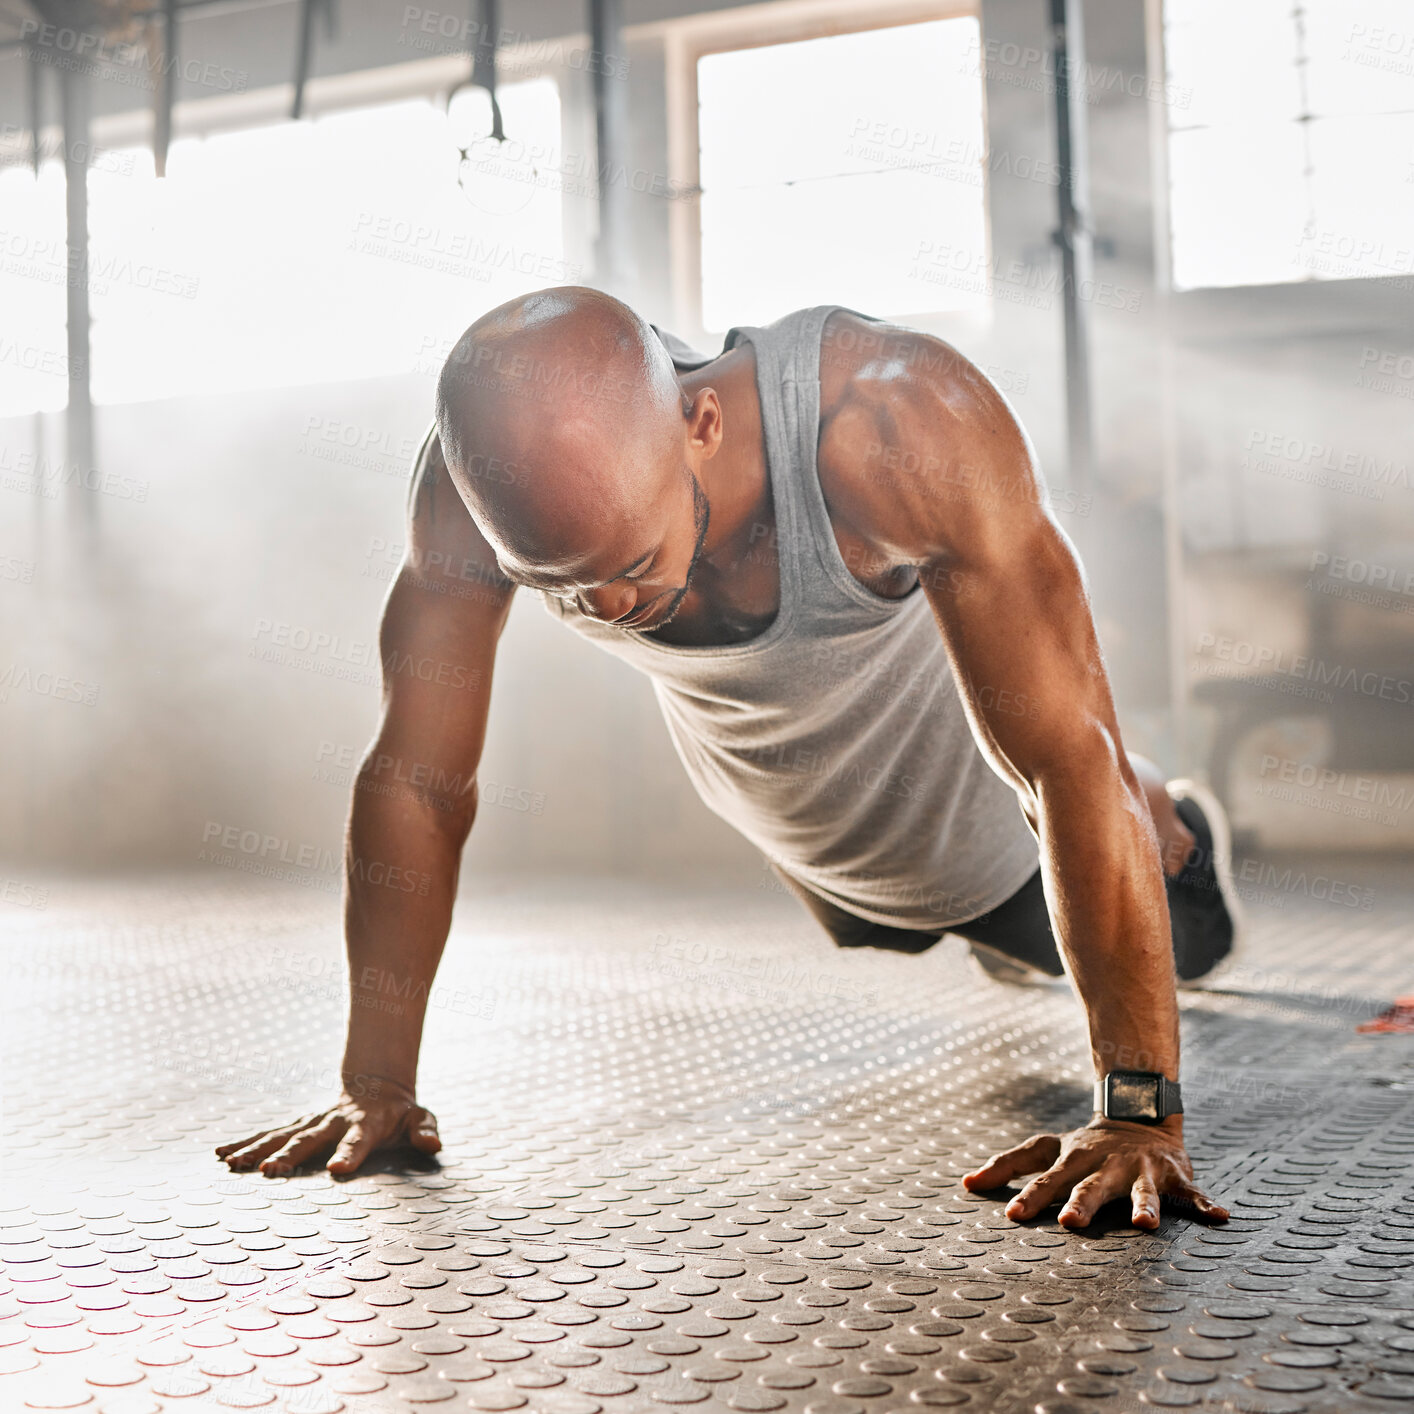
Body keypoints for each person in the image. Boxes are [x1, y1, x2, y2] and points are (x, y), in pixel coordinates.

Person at [217, 287, 1239, 1231]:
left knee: (1078, 920)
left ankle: (1176, 830)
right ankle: (959, 913)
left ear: (697, 427)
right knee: (877, 929)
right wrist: (377, 1083)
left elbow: (1067, 758)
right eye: (560, 589)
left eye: (625, 568)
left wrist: (1137, 1113)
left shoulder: (897, 421)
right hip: (798, 818)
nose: (606, 610)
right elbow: (417, 779)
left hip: (981, 804)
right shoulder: (473, 491)